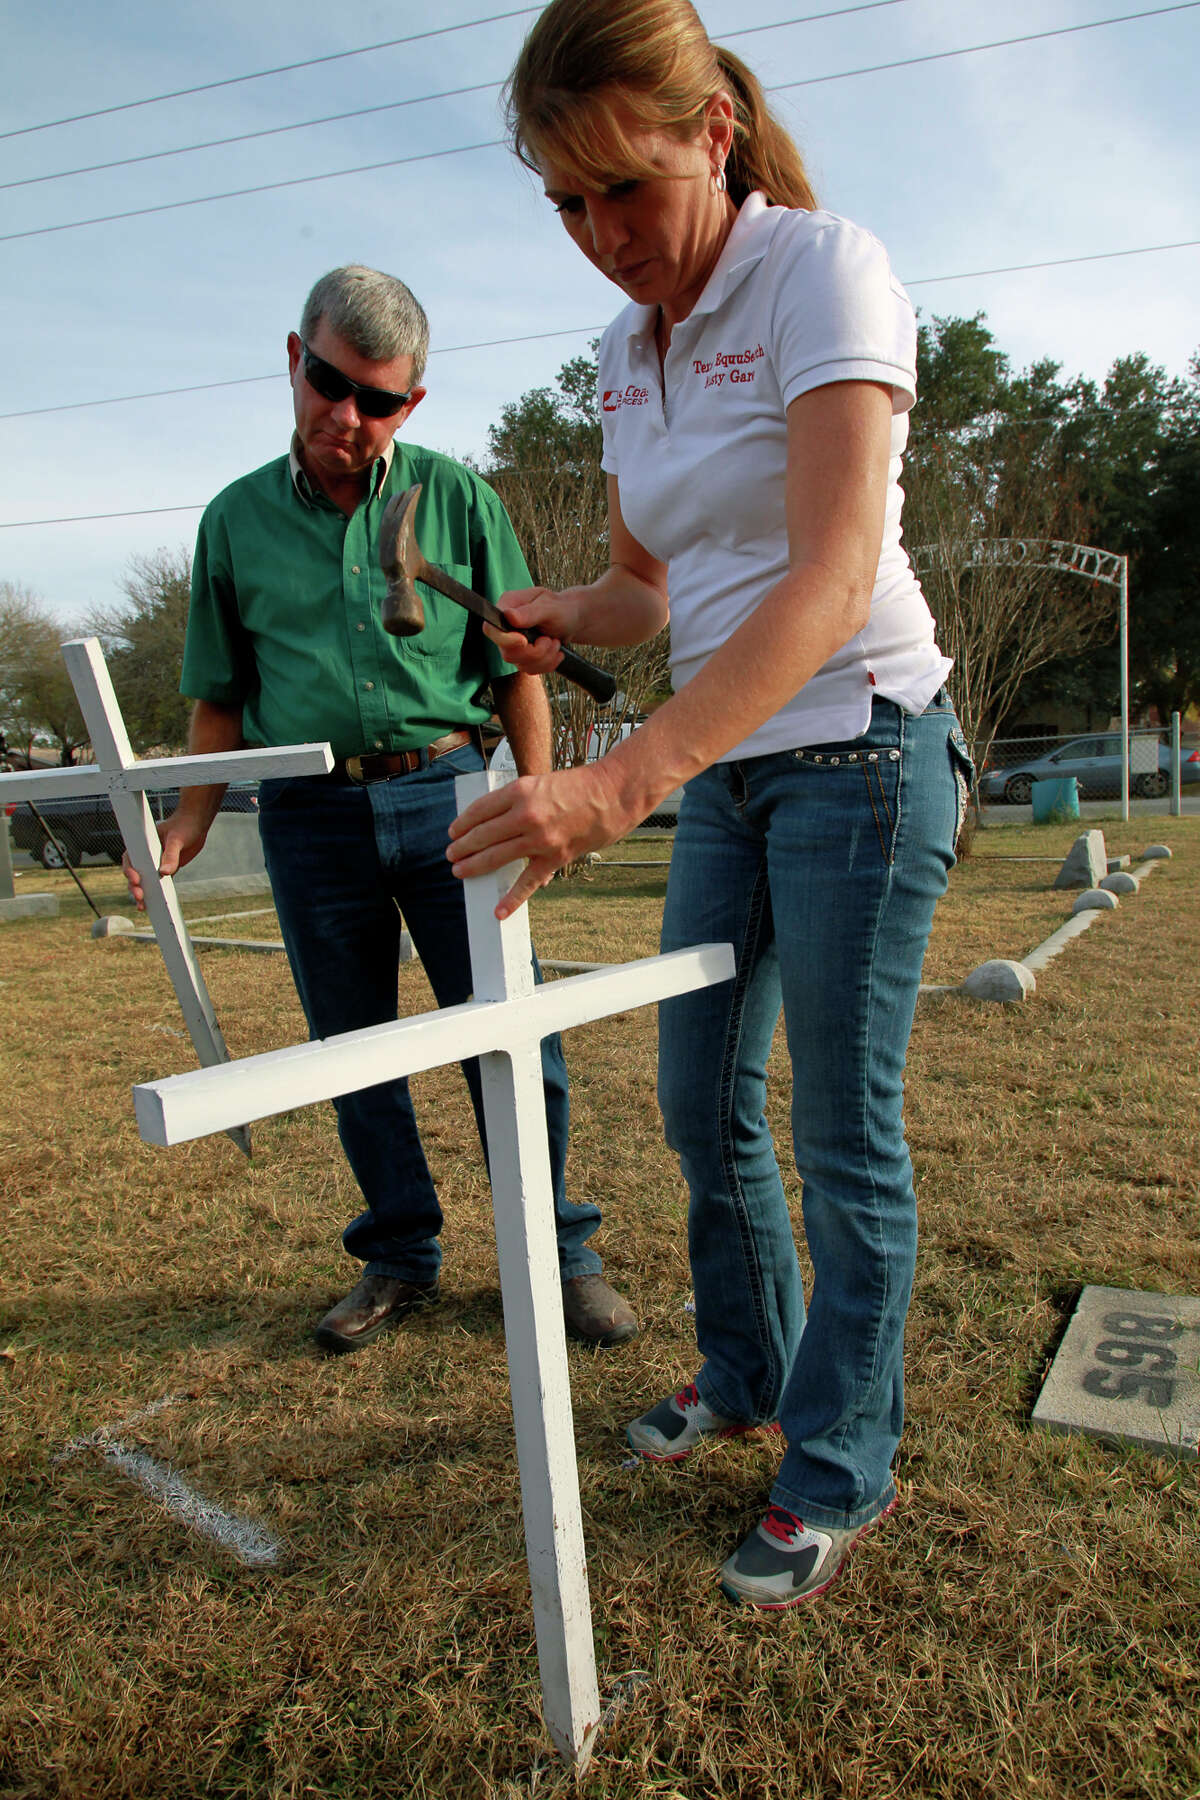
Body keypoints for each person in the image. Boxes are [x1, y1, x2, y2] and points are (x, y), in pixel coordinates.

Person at [447, 0, 973, 1608]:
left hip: (864, 747)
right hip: (734, 769)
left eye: (625, 189)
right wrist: (558, 608)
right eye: (565, 204)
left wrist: (614, 782)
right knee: (698, 1107)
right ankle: (746, 1375)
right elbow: (656, 590)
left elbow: (816, 587)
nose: (602, 238)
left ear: (712, 136)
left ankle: (840, 1462)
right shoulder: (626, 350)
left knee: (840, 1131)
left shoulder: (825, 271)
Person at [124, 264, 637, 1355]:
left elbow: (516, 671)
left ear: (413, 403)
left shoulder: (459, 501)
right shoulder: (235, 521)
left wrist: (536, 792)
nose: (344, 416)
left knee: (512, 1041)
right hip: (309, 816)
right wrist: (190, 821)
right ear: (294, 358)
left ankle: (555, 1250)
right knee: (352, 1048)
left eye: (378, 398)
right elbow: (217, 695)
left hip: (453, 794)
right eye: (327, 381)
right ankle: (399, 1255)